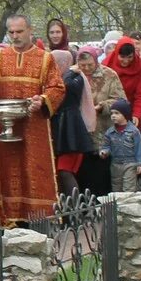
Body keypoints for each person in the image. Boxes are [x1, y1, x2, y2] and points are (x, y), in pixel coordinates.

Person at [0, 14, 66, 226]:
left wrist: (43, 100)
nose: (15, 36)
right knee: (8, 171)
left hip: (34, 125)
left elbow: (57, 87)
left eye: (19, 31)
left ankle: (39, 219)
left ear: (30, 30)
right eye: (11, 32)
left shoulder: (45, 58)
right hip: (5, 124)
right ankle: (10, 218)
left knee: (34, 169)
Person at [75, 44, 125, 197]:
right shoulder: (74, 74)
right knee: (83, 171)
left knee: (101, 172)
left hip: (102, 130)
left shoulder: (109, 75)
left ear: (96, 61)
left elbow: (120, 100)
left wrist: (102, 107)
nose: (87, 68)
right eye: (83, 65)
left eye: (90, 65)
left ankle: (103, 203)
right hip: (80, 131)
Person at [49, 49, 95, 198]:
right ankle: (69, 211)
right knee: (63, 172)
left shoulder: (73, 76)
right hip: (65, 129)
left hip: (71, 131)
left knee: (65, 171)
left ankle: (75, 211)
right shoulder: (68, 76)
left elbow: (65, 89)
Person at [101, 99, 141, 192]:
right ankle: (119, 206)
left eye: (117, 113)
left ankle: (128, 206)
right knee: (116, 188)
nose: (113, 116)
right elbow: (106, 146)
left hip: (130, 163)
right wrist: (104, 151)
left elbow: (139, 149)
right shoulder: (110, 132)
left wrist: (140, 164)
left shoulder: (134, 131)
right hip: (115, 164)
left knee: (128, 188)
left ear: (125, 115)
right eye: (112, 113)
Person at [102, 36, 141, 127]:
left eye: (130, 57)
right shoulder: (106, 65)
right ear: (116, 53)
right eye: (122, 57)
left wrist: (137, 114)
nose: (126, 61)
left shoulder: (138, 67)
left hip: (131, 113)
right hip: (110, 114)